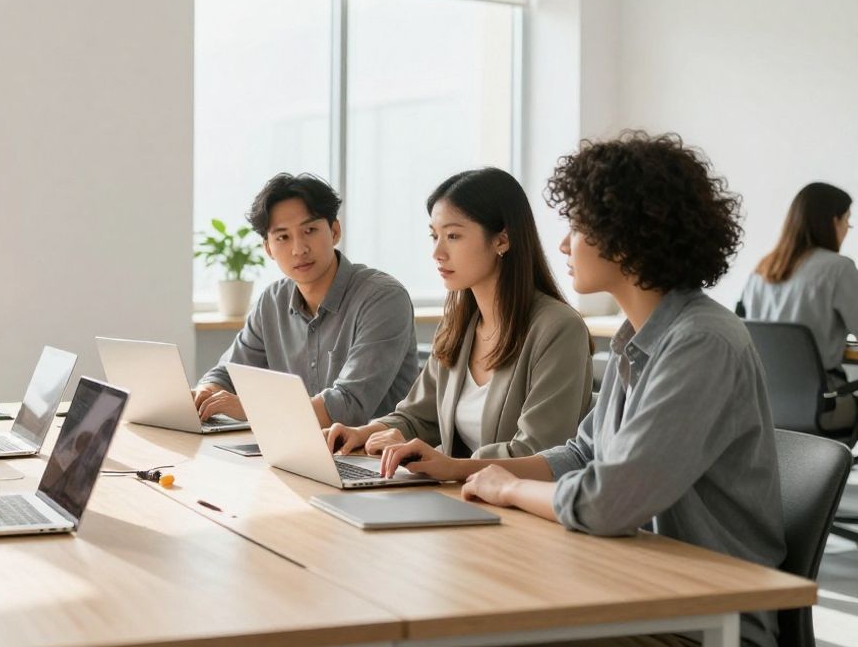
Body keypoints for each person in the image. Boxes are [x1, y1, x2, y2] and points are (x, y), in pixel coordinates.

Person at [376, 132, 786, 647]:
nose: (565, 244)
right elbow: (581, 451)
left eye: (579, 227)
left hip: (698, 617)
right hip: (625, 583)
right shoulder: (639, 336)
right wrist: (463, 469)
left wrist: (509, 488)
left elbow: (608, 501)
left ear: (630, 236)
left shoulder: (702, 342)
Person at [324, 168, 593, 460]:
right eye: (434, 236)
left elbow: (537, 452)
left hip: (515, 501)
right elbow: (417, 417)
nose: (437, 252)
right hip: (459, 495)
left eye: (453, 236)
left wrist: (450, 466)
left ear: (502, 240)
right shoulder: (458, 326)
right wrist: (366, 432)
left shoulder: (559, 329)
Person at [194, 173, 420, 427]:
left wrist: (253, 407)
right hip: (298, 449)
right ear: (268, 248)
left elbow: (349, 405)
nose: (298, 249)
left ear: (334, 231)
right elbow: (228, 373)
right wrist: (206, 391)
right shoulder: (272, 300)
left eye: (310, 230)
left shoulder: (382, 298)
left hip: (373, 457)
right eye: (282, 237)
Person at [739, 182, 858, 430]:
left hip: (764, 405)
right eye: (847, 219)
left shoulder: (763, 269)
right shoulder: (838, 268)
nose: (848, 227)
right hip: (823, 404)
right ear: (832, 221)